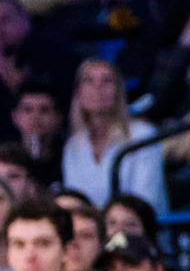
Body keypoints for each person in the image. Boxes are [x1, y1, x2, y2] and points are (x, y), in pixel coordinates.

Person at [59, 53, 156, 206]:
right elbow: (74, 202)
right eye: (88, 80)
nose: (97, 88)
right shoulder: (73, 146)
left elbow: (145, 201)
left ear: (118, 90)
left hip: (134, 226)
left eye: (107, 80)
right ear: (78, 93)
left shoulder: (143, 135)